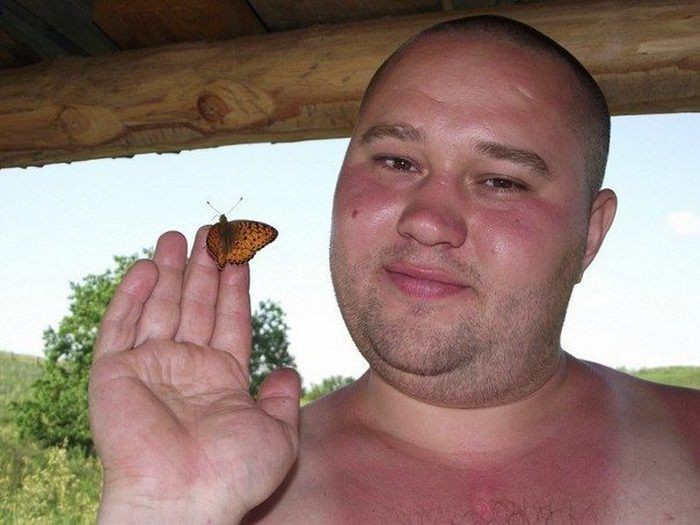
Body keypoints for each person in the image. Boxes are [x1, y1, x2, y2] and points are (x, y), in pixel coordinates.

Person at [89, 15, 699, 524]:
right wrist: (161, 509)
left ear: (590, 233)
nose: (427, 221)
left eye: (501, 181)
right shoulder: (230, 492)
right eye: (397, 161)